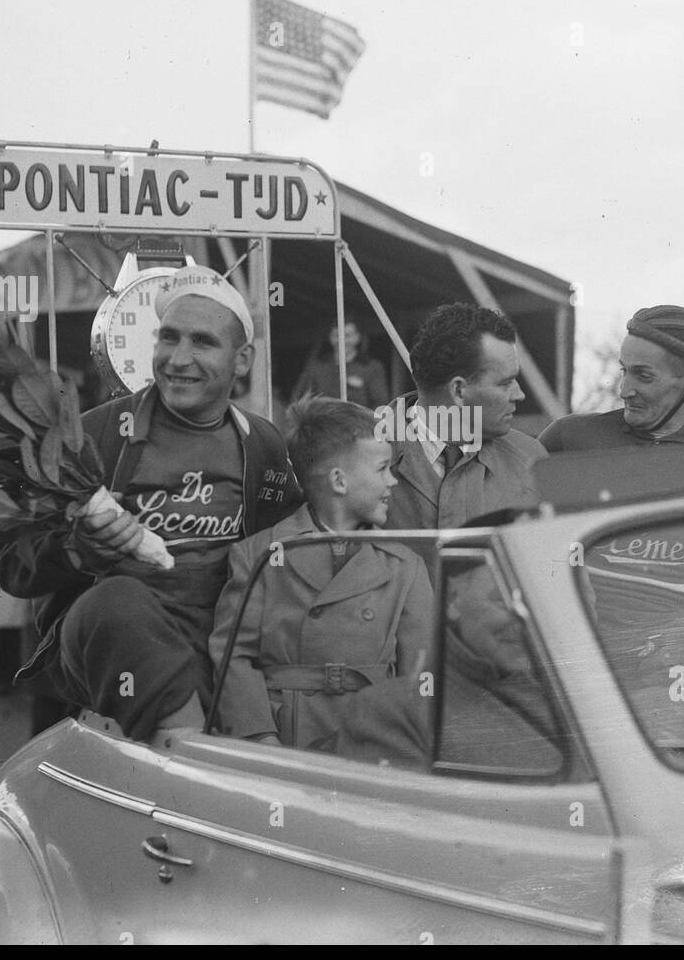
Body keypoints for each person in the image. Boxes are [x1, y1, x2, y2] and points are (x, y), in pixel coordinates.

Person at [0, 266, 302, 741]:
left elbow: (291, 551)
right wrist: (79, 550)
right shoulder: (91, 436)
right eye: (168, 338)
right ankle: (193, 756)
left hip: (215, 650)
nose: (178, 359)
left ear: (243, 361)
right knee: (119, 600)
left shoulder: (262, 444)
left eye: (202, 342)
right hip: (114, 642)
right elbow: (12, 563)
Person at [539, 305, 684, 668]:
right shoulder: (569, 439)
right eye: (623, 371)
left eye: (643, 377)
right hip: (574, 669)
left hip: (670, 679)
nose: (624, 390)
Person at [210, 397, 432, 750]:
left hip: (375, 741)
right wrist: (260, 736)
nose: (393, 481)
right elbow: (233, 655)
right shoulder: (259, 555)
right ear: (339, 481)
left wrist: (407, 748)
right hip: (287, 739)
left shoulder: (405, 566)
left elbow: (421, 674)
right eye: (382, 469)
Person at [333, 563, 562, 772]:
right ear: (453, 599)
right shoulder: (392, 710)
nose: (527, 622)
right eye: (503, 600)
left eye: (538, 603)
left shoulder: (566, 691)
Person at [384, 302, 547, 530]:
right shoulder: (359, 455)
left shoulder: (532, 460)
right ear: (459, 390)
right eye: (505, 383)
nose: (519, 394)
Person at [290, 319, 390, 409]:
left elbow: (380, 404)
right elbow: (298, 398)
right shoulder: (317, 366)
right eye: (336, 335)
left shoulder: (371, 367)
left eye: (347, 335)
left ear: (358, 337)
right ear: (330, 337)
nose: (341, 340)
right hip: (322, 425)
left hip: (358, 425)